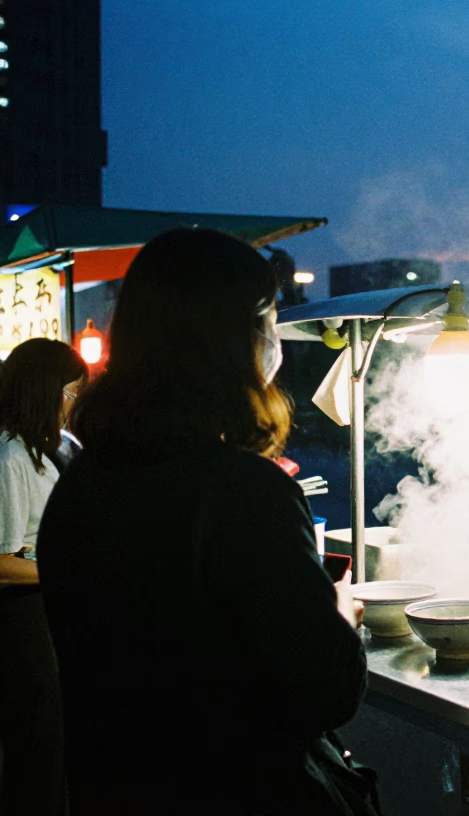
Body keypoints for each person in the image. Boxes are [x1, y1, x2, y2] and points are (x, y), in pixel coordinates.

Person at [37, 228, 369, 815]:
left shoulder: (81, 488)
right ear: (233, 340)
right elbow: (326, 689)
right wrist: (338, 611)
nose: (275, 339)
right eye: (268, 318)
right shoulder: (244, 490)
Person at [0, 338, 86, 816]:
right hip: (21, 624)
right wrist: (64, 568)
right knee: (37, 752)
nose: (71, 406)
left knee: (52, 750)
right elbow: (0, 561)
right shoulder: (10, 457)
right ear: (43, 390)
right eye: (70, 393)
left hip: (45, 618)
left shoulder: (42, 451)